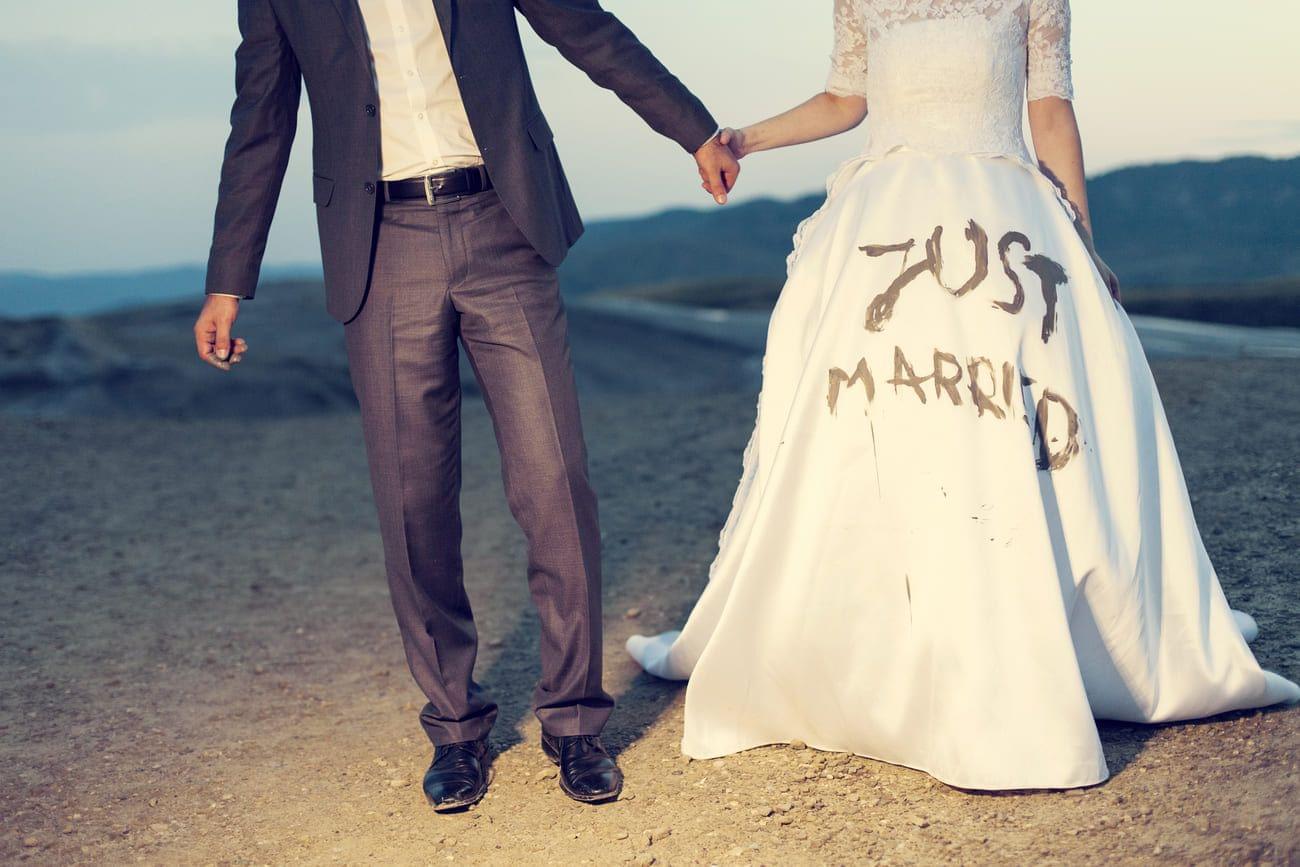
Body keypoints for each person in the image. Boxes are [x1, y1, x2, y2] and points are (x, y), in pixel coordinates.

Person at [628, 0, 1299, 791]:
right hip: (887, 226)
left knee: (1006, 433)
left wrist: (1080, 239)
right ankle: (891, 655)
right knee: (878, 433)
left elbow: (1049, 111)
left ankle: (1024, 643)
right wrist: (744, 139)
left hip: (999, 224)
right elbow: (847, 100)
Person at [193, 0, 739, 810]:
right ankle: (455, 727)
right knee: (413, 501)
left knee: (555, 479)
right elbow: (261, 120)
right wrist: (227, 281)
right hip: (381, 242)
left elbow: (584, 27)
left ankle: (575, 720)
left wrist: (692, 128)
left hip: (504, 222)